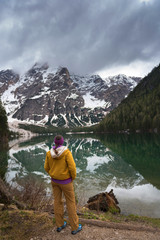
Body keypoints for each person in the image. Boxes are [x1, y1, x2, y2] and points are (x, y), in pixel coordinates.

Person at [44, 135, 82, 235]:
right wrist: (72, 178)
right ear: (62, 142)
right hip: (66, 182)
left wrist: (53, 174)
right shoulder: (66, 152)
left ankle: (60, 225)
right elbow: (72, 168)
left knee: (57, 201)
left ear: (54, 142)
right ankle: (75, 227)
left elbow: (46, 167)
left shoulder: (49, 153)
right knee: (70, 203)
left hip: (54, 181)